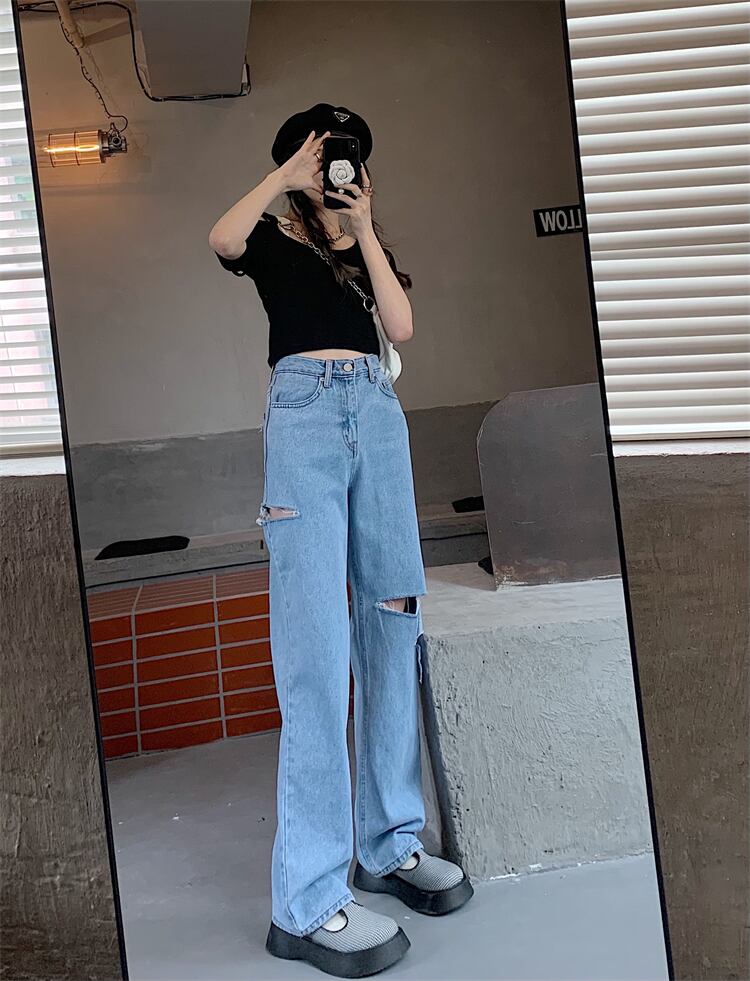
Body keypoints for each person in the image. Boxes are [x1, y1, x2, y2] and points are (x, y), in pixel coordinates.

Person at [209, 103, 472, 978]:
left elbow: (401, 327)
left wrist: (364, 231)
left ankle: (388, 846)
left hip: (377, 414)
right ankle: (306, 901)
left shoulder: (362, 247)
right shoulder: (271, 238)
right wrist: (282, 178)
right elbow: (220, 237)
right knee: (317, 650)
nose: (333, 172)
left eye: (344, 157)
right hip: (305, 418)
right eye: (321, 157)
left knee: (393, 622)